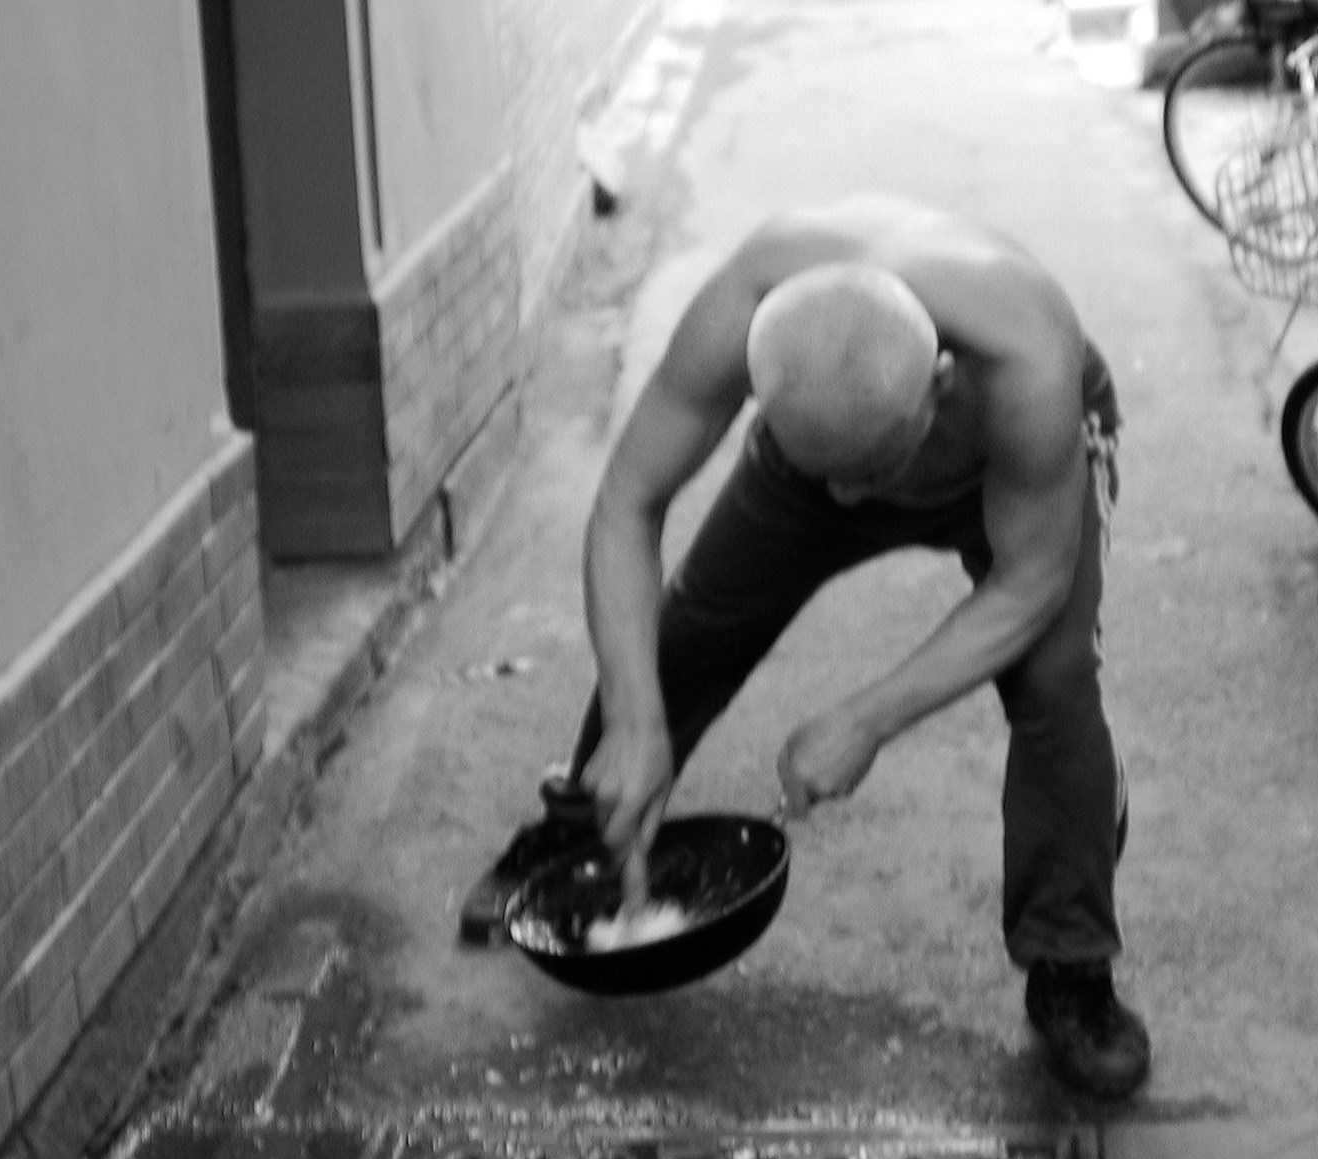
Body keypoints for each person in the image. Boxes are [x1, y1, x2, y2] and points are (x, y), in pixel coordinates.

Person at [475, 194, 1146, 1100]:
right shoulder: (745, 313)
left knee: (1058, 686)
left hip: (1000, 469)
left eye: (862, 477)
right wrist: (636, 719)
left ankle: (1071, 966)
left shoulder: (1027, 363)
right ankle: (588, 832)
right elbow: (624, 508)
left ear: (939, 385)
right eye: (823, 473)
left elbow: (1028, 586)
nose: (844, 498)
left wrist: (868, 719)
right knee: (684, 640)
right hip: (838, 423)